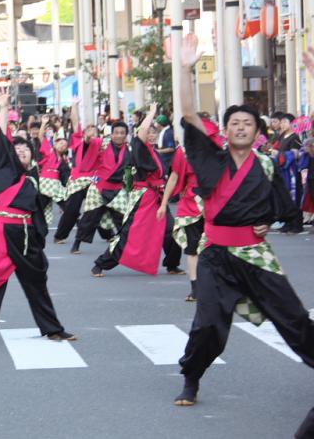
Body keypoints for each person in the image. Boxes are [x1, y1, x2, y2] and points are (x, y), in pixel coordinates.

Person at [172, 35, 314, 418]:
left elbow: (280, 208)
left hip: (255, 252)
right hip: (216, 255)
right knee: (209, 326)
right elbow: (187, 112)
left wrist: (266, 223)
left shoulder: (266, 165)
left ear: (257, 132)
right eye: (234, 123)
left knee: (294, 318)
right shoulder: (209, 158)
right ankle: (192, 376)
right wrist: (184, 68)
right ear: (226, 129)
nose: (239, 127)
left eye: (247, 123)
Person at [0, 92, 75, 343]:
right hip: (1, 233)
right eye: (16, 149)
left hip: (26, 236)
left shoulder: (32, 177)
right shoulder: (2, 169)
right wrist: (4, 107)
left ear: (32, 155)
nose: (21, 151)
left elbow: (38, 213)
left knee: (36, 284)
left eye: (25, 149)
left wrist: (40, 238)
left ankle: (52, 328)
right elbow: (0, 138)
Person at [90, 104, 182, 277]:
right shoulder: (140, 148)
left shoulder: (155, 153)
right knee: (129, 235)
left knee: (172, 230)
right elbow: (141, 133)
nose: (152, 135)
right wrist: (151, 114)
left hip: (157, 197)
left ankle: (172, 264)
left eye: (154, 132)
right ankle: (101, 263)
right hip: (143, 198)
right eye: (149, 132)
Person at [158, 118, 224, 301]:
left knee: (216, 247)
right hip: (190, 204)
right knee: (192, 248)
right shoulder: (183, 151)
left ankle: (215, 284)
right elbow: (174, 177)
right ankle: (196, 288)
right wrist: (164, 203)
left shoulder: (218, 148)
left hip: (214, 202)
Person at [70, 118, 130, 254]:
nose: (119, 135)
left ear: (126, 135)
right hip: (99, 187)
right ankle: (76, 243)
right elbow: (87, 144)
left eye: (122, 133)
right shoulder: (103, 143)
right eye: (116, 133)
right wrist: (86, 138)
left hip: (118, 188)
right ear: (112, 134)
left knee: (123, 218)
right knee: (89, 217)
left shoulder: (129, 148)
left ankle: (124, 246)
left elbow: (131, 170)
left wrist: (131, 188)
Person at [53, 101, 102, 244]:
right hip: (78, 179)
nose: (91, 133)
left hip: (95, 179)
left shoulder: (101, 143)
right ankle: (60, 235)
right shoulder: (80, 140)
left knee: (101, 205)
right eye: (88, 130)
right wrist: (74, 106)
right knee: (72, 209)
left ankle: (109, 234)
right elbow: (75, 122)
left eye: (94, 130)